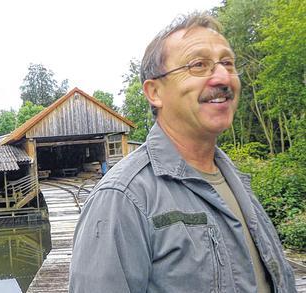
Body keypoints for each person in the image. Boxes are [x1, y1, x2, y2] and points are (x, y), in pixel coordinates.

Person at [69, 12, 296, 293]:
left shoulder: (235, 180)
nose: (223, 77)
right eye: (199, 65)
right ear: (154, 92)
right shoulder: (121, 199)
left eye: (228, 63)